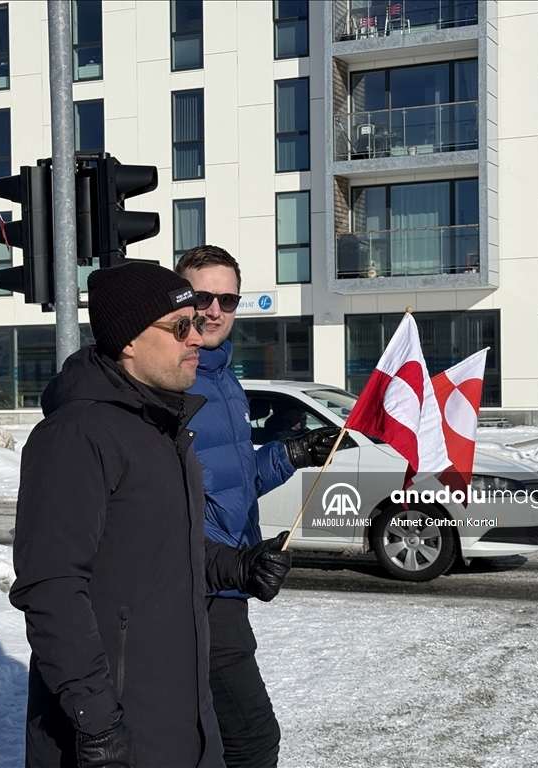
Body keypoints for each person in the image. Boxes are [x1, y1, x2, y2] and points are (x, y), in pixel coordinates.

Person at [11, 262, 292, 768]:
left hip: (182, 711)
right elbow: (51, 587)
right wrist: (96, 722)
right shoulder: (77, 435)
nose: (196, 337)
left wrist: (239, 568)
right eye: (179, 325)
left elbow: (168, 545)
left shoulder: (163, 427)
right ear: (130, 342)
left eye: (196, 322)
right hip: (115, 726)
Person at [176, 245, 340, 768]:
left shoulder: (225, 380)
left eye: (227, 298)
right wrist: (229, 564)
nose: (215, 309)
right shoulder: (174, 380)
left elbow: (232, 479)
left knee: (208, 738)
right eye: (202, 295)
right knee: (252, 740)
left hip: (229, 578)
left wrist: (290, 454)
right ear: (180, 298)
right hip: (198, 588)